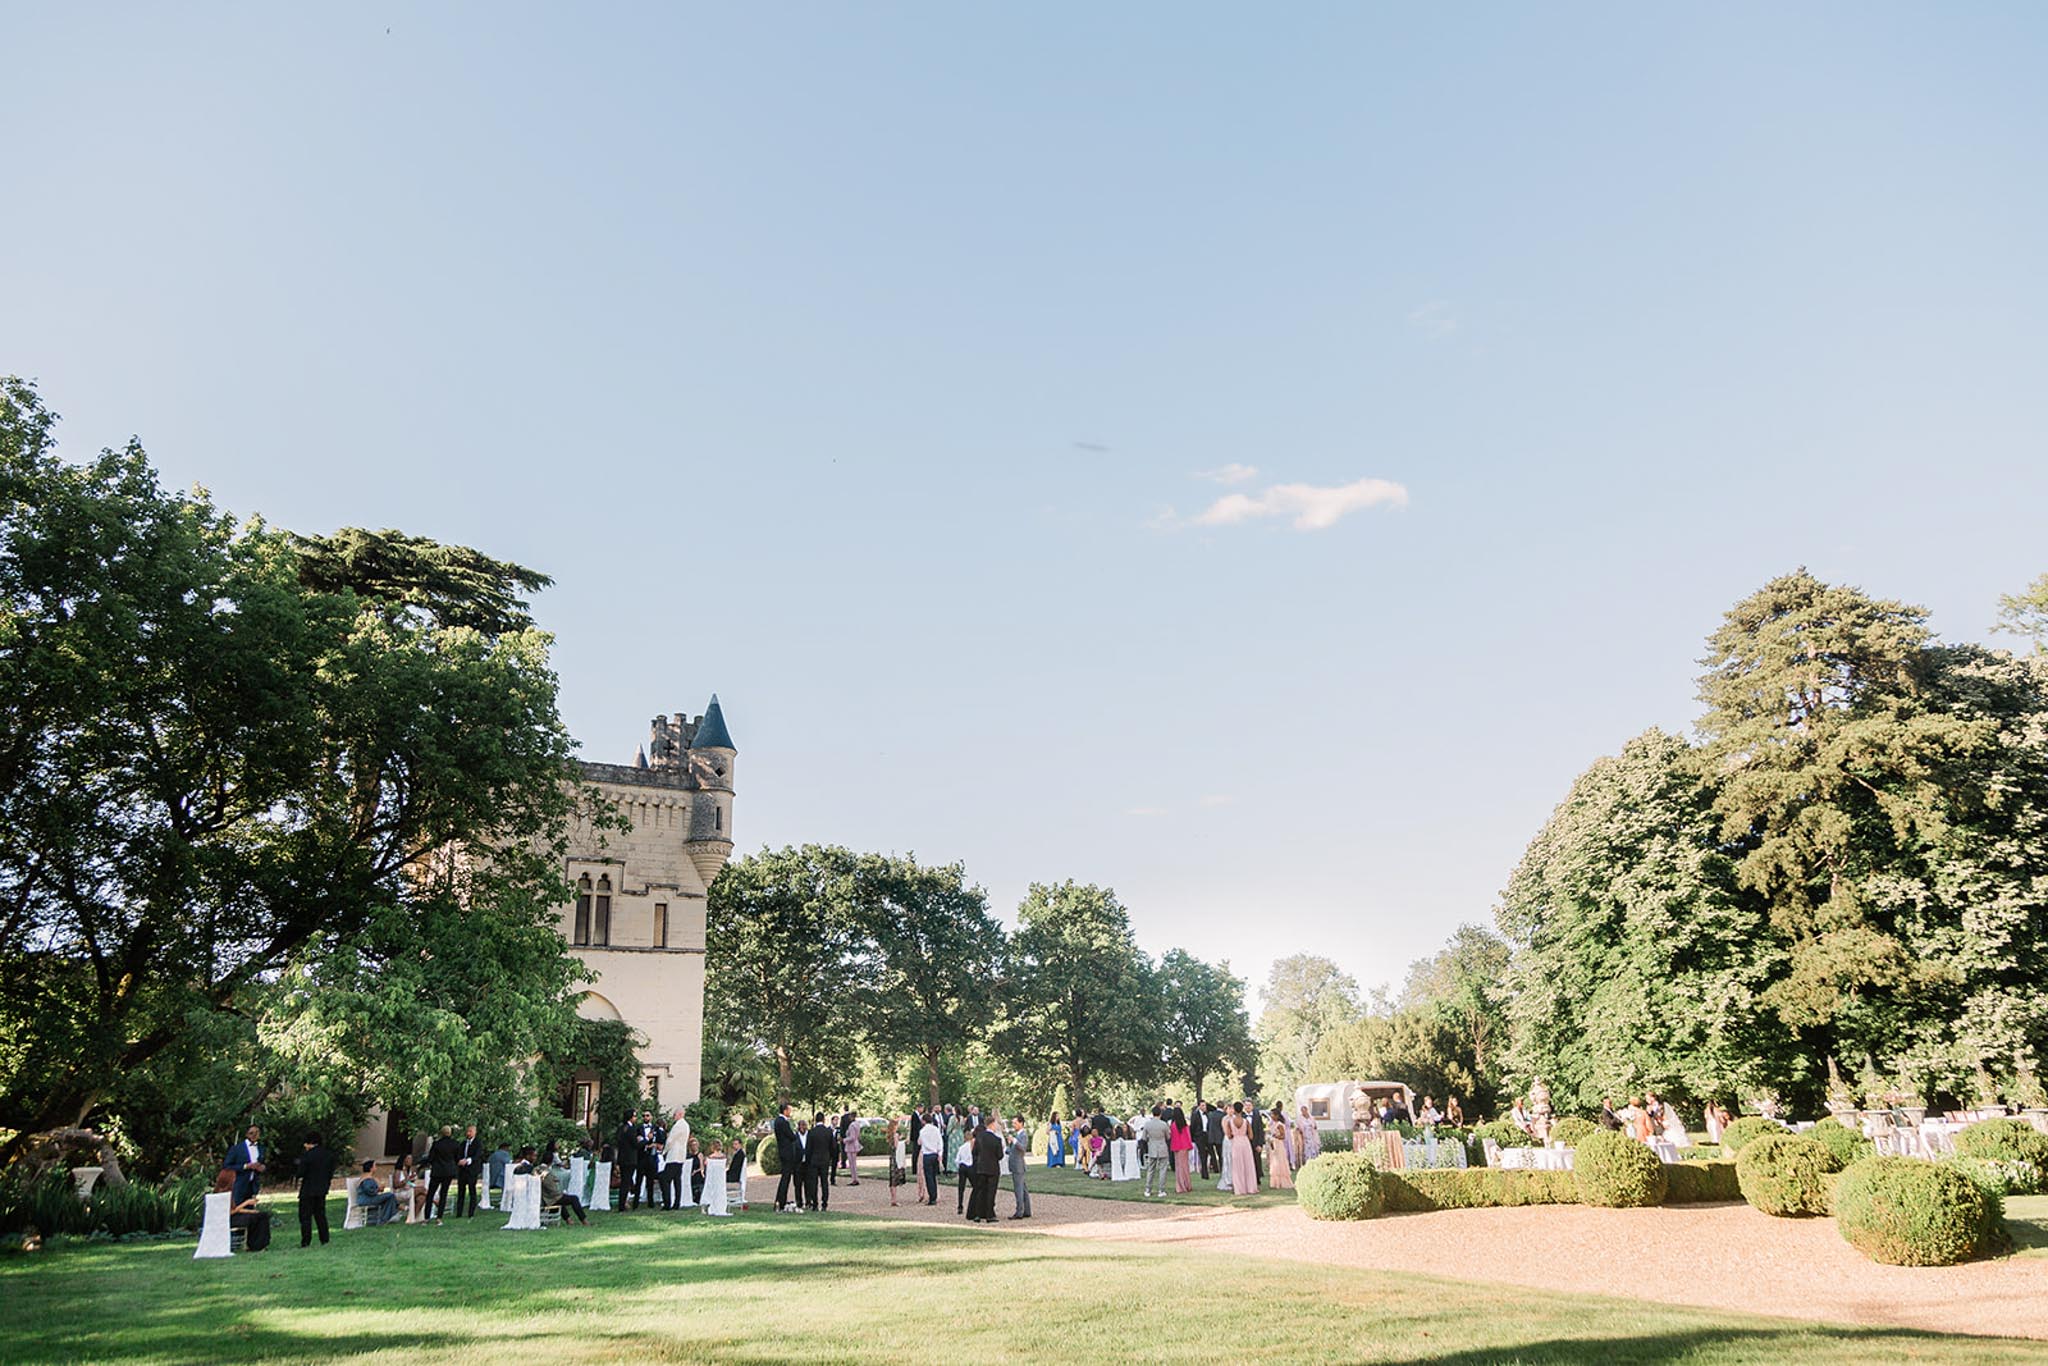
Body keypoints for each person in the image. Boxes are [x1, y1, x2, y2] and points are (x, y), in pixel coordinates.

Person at [214, 1170, 272, 1251]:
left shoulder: (226, 1192)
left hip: (232, 1216)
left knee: (261, 1215)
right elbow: (230, 1212)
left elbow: (234, 1209)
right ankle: (256, 1245)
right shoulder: (222, 1194)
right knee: (256, 1219)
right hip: (227, 1219)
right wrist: (246, 1203)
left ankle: (258, 1244)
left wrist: (250, 1211)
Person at [296, 1132, 337, 1247]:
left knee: (305, 1217)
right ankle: (324, 1239)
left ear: (309, 1143)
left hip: (308, 1190)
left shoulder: (307, 1156)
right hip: (322, 1189)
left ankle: (306, 1241)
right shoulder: (328, 1155)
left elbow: (300, 1173)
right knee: (320, 1215)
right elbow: (330, 1172)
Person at [424, 1125, 461, 1223]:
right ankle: (439, 1217)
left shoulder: (437, 1144)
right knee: (443, 1194)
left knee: (430, 1194)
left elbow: (431, 1158)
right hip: (448, 1172)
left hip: (437, 1171)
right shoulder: (455, 1144)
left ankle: (426, 1217)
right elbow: (457, 1158)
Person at [537, 1153, 588, 1225]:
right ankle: (584, 1221)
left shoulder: (537, 1169)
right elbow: (551, 1190)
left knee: (562, 1200)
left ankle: (569, 1220)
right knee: (574, 1199)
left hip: (545, 1197)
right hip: (549, 1198)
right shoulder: (546, 1172)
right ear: (551, 1161)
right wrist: (560, 1192)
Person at [968, 1118, 1003, 1223]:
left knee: (980, 1191)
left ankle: (978, 1214)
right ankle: (989, 1214)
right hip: (992, 1168)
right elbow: (1000, 1155)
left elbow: (974, 1152)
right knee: (991, 1192)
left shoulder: (979, 1137)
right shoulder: (997, 1140)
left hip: (981, 1168)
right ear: (991, 1124)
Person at [224, 1124, 266, 1204]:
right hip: (238, 1184)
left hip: (253, 1185)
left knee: (250, 1210)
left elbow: (262, 1163)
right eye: (251, 1133)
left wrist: (262, 1167)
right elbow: (227, 1166)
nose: (254, 1135)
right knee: (237, 1208)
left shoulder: (261, 1148)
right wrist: (246, 1166)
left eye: (257, 1132)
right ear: (246, 1134)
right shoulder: (237, 1149)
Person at [1224, 1101, 1258, 1195]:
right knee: (1248, 1165)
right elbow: (1251, 1136)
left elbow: (1229, 1135)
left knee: (1237, 1166)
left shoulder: (1230, 1122)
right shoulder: (1246, 1121)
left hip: (1236, 1143)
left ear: (1234, 1109)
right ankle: (1250, 1187)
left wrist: (1235, 1134)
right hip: (1245, 1142)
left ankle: (1239, 1188)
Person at [773, 1103, 802, 1212]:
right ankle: (781, 1201)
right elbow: (791, 1136)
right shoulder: (783, 1122)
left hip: (783, 1152)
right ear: (785, 1111)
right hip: (787, 1153)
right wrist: (795, 1134)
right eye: (789, 1110)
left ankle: (780, 1200)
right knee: (786, 1178)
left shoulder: (777, 1121)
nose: (790, 1112)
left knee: (785, 1177)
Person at [354, 1160, 399, 1226]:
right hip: (366, 1199)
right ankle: (386, 1217)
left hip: (369, 1198)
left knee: (389, 1198)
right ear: (371, 1168)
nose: (376, 1168)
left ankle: (386, 1217)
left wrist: (379, 1189)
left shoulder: (367, 1177)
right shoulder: (367, 1179)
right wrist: (378, 1189)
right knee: (390, 1195)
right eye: (375, 1166)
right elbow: (369, 1191)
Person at [805, 1112, 835, 1212]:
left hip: (814, 1160)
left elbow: (808, 1149)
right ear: (823, 1120)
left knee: (813, 1183)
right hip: (825, 1160)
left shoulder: (811, 1132)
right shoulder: (828, 1132)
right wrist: (830, 1157)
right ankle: (824, 1203)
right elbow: (832, 1147)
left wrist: (808, 1160)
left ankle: (815, 1203)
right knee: (824, 1182)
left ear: (815, 1120)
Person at [1006, 1114, 1033, 1220]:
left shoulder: (1023, 1135)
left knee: (1019, 1189)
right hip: (1015, 1164)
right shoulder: (1017, 1135)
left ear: (1021, 1123)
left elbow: (1022, 1148)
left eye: (1015, 1123)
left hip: (1018, 1166)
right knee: (1023, 1189)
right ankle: (1027, 1210)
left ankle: (1019, 1212)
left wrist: (1014, 1141)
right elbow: (1013, 1150)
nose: (1013, 1125)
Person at [1141, 1106, 1170, 1198]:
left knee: (1150, 1169)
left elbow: (1144, 1138)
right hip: (1162, 1147)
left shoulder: (1147, 1124)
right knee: (1163, 1170)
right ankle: (1161, 1190)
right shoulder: (1164, 1124)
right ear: (1160, 1114)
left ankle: (1148, 1189)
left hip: (1152, 1147)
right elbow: (1168, 1136)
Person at [455, 1125, 485, 1217]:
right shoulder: (463, 1143)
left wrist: (468, 1160)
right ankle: (459, 1212)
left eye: (471, 1131)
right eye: (467, 1131)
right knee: (461, 1191)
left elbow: (478, 1155)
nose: (468, 1133)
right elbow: (458, 1154)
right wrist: (460, 1160)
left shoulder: (478, 1143)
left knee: (472, 1190)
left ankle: (471, 1212)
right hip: (462, 1170)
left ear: (475, 1132)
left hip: (472, 1170)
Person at [615, 1115, 643, 1209]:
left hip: (622, 1158)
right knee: (626, 1182)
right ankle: (622, 1205)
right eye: (634, 1116)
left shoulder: (621, 1128)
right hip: (630, 1159)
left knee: (624, 1181)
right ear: (630, 1118)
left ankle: (622, 1203)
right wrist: (645, 1139)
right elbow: (635, 1144)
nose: (635, 1118)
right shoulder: (631, 1129)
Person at [917, 1107, 944, 1205]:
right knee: (934, 1175)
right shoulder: (936, 1129)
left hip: (927, 1154)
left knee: (929, 1177)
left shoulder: (922, 1131)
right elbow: (940, 1142)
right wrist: (940, 1153)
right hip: (935, 1154)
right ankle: (935, 1195)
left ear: (924, 1121)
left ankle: (932, 1197)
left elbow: (919, 1142)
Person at [1266, 1105, 1294, 1191]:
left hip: (1278, 1144)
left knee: (1279, 1161)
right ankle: (1275, 1182)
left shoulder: (1280, 1124)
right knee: (1274, 1162)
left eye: (1272, 1114)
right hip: (1273, 1144)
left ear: (1277, 1115)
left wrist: (1275, 1137)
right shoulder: (1272, 1124)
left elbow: (1283, 1136)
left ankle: (1282, 1181)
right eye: (1270, 1114)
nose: (1271, 1116)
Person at [1169, 1105, 1194, 1194]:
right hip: (1185, 1147)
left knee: (1179, 1167)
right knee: (1185, 1167)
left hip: (1177, 1147)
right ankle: (1187, 1185)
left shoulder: (1173, 1125)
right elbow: (1188, 1136)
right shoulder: (1185, 1125)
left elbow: (1172, 1137)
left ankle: (1180, 1186)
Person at [389, 1153, 420, 1222]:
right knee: (423, 1190)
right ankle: (434, 1201)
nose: (411, 1160)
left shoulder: (409, 1171)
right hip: (399, 1193)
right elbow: (396, 1185)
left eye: (411, 1159)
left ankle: (413, 1218)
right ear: (404, 1160)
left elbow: (409, 1183)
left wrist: (412, 1180)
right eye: (409, 1159)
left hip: (408, 1190)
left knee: (421, 1197)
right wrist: (407, 1180)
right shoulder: (398, 1171)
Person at [1201, 1102, 1224, 1180]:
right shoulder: (1223, 1115)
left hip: (1211, 1137)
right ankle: (1222, 1168)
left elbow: (1208, 1126)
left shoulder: (1210, 1115)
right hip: (1220, 1137)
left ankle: (1215, 1167)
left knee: (1212, 1154)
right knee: (1221, 1155)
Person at [886, 1117, 905, 1207]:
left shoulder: (889, 1135)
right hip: (896, 1158)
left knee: (892, 1178)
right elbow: (897, 1146)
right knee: (895, 1179)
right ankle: (894, 1199)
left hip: (891, 1157)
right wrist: (903, 1141)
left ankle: (893, 1198)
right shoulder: (895, 1135)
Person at [487, 1141, 512, 1208]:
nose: (509, 1149)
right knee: (511, 1179)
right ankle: (508, 1200)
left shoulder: (493, 1155)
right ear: (504, 1147)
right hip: (499, 1178)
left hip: (491, 1178)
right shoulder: (503, 1154)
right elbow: (509, 1163)